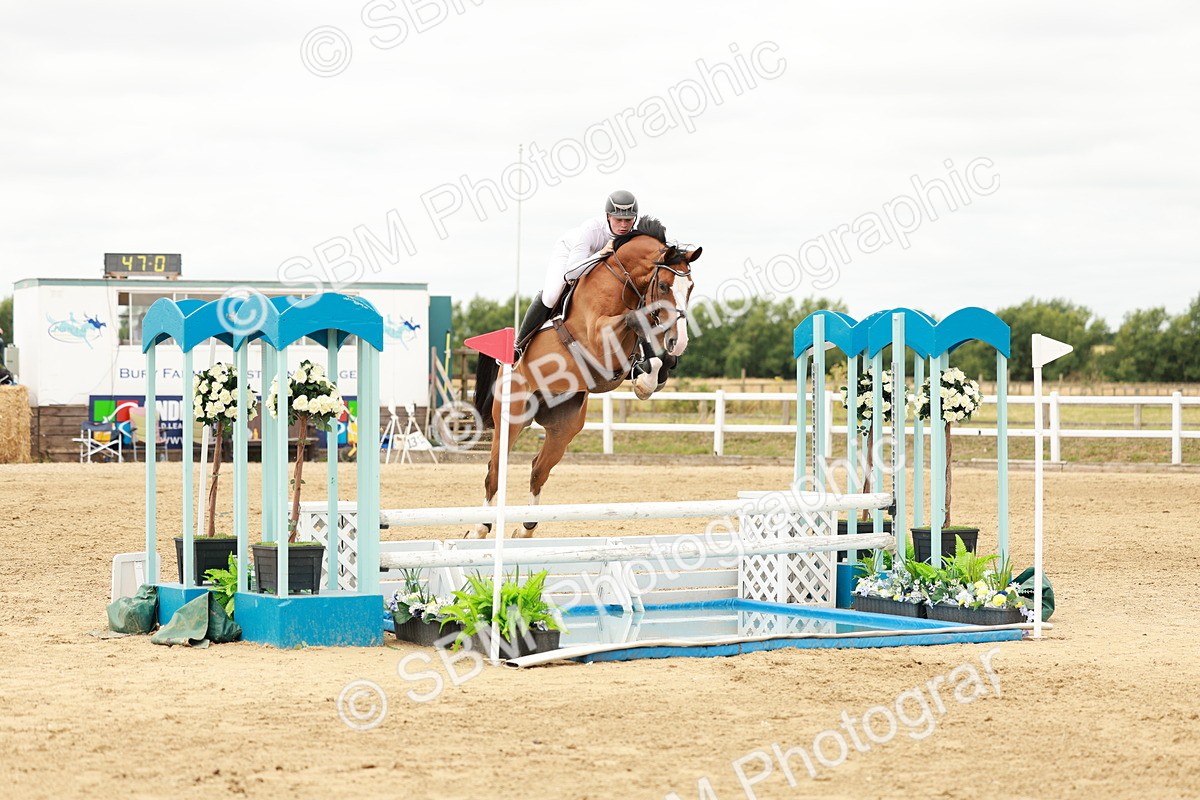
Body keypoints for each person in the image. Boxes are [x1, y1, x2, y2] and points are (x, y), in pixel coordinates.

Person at [514, 190, 641, 351]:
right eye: (618, 219)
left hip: (595, 263)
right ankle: (518, 345)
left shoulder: (633, 236)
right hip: (570, 254)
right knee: (552, 295)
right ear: (608, 216)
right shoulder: (592, 228)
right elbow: (571, 273)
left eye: (628, 220)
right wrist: (601, 253)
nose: (623, 225)